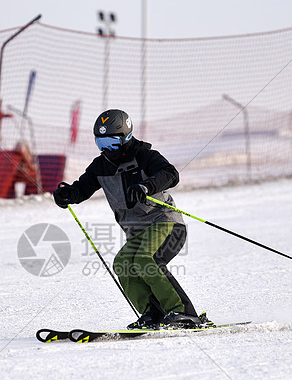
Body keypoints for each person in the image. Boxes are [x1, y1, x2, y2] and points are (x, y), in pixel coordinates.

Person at [53, 109, 208, 329]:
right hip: (137, 230)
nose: (106, 149)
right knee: (123, 264)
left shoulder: (145, 156)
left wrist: (147, 186)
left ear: (126, 137)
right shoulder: (101, 165)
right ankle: (153, 313)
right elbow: (82, 189)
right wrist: (68, 195)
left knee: (147, 260)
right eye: (101, 143)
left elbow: (171, 174)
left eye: (112, 142)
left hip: (165, 222)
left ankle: (184, 313)